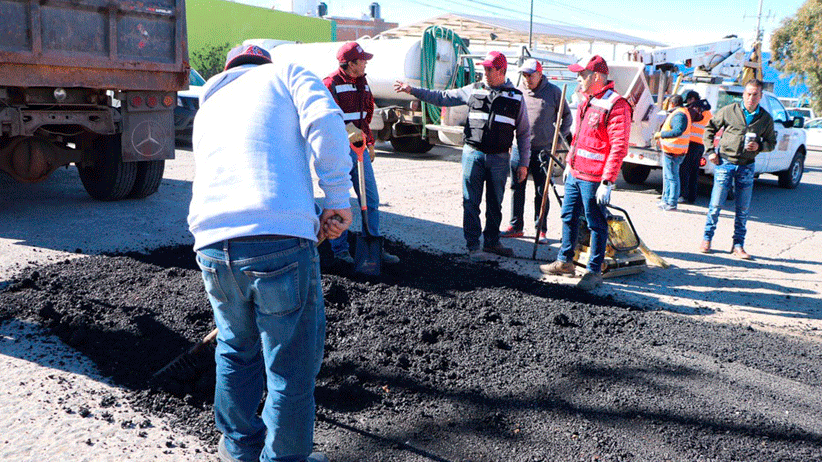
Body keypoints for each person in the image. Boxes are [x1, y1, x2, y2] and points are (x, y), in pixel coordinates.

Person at [187, 44, 354, 462]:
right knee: (290, 366)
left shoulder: (210, 100)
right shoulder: (287, 73)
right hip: (278, 243)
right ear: (264, 63)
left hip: (212, 245)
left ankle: (239, 449)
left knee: (235, 348)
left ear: (230, 68)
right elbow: (326, 121)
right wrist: (337, 198)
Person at [394, 51, 531, 261]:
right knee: (470, 202)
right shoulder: (473, 89)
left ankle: (492, 242)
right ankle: (473, 246)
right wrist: (413, 90)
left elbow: (523, 133)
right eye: (484, 69)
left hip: (499, 159)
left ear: (502, 71)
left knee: (495, 203)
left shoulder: (516, 97)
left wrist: (523, 163)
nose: (485, 73)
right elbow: (443, 97)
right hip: (473, 155)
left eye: (489, 69)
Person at [538, 55, 632, 291]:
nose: (578, 79)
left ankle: (593, 271)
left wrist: (607, 181)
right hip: (576, 172)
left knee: (596, 224)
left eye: (582, 75)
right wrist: (570, 162)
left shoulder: (616, 105)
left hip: (595, 178)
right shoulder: (587, 100)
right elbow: (579, 138)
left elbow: (619, 147)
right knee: (568, 216)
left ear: (597, 76)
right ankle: (565, 261)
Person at [324, 42, 400, 265]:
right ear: (351, 64)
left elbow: (365, 116)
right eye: (362, 60)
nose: (366, 63)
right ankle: (339, 250)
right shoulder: (330, 84)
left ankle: (372, 245)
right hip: (338, 151)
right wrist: (349, 132)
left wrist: (370, 143)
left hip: (359, 148)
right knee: (339, 199)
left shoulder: (362, 83)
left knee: (371, 198)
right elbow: (327, 118)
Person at [701, 79, 776, 259]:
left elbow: (772, 143)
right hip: (725, 163)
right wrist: (710, 151)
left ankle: (738, 245)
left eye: (755, 94)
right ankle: (707, 239)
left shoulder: (765, 118)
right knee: (715, 205)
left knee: (743, 209)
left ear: (760, 96)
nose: (751, 98)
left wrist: (759, 146)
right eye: (748, 94)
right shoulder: (730, 110)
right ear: (743, 94)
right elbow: (709, 129)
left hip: (747, 166)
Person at [500, 58, 572, 243]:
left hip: (543, 150)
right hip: (520, 148)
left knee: (542, 190)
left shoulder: (554, 92)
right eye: (524, 75)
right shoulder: (518, 91)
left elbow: (567, 117)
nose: (527, 79)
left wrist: (558, 141)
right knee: (517, 187)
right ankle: (516, 226)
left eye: (530, 75)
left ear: (540, 74)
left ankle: (541, 229)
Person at [654, 94, 691, 211]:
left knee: (672, 177)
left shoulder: (679, 114)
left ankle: (671, 202)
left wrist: (661, 134)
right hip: (674, 150)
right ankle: (666, 200)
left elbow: (677, 131)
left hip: (674, 151)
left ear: (673, 103)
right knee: (669, 176)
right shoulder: (681, 112)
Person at [679, 90, 711, 204]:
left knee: (684, 170)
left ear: (692, 99)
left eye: (688, 100)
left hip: (691, 143)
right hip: (701, 144)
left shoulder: (693, 109)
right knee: (694, 172)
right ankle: (692, 197)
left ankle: (683, 195)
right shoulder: (708, 112)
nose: (687, 102)